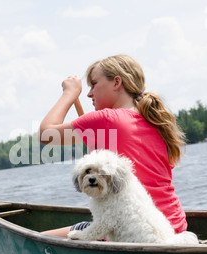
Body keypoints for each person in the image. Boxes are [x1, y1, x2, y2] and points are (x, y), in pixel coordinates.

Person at [39, 54, 186, 238]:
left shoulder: (106, 118)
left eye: (94, 84)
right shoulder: (156, 121)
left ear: (117, 82)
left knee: (38, 238)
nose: (89, 93)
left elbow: (46, 134)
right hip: (176, 225)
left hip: (136, 232)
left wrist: (70, 93)